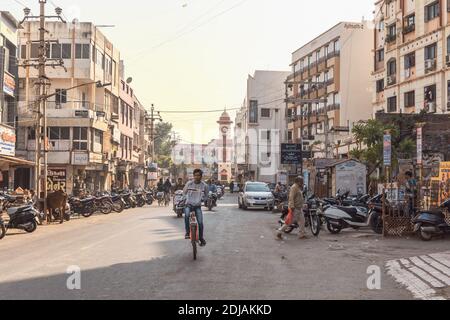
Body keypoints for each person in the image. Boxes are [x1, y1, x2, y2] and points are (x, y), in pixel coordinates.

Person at [183, 169, 208, 246]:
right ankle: (187, 232)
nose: (197, 177)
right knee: (186, 215)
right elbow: (184, 192)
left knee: (200, 222)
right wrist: (185, 199)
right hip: (189, 205)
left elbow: (206, 195)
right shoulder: (189, 184)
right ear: (193, 176)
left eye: (198, 175)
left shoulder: (204, 185)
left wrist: (204, 200)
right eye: (195, 175)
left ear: (201, 176)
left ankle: (201, 238)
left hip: (197, 206)